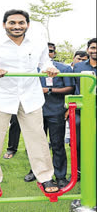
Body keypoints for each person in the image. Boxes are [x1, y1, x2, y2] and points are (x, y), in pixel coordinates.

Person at [0, 9, 60, 194]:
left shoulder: (38, 41)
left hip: (30, 96)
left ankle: (45, 176)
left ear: (27, 24)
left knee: (38, 138)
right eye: (12, 23)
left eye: (21, 23)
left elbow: (44, 63)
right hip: (1, 96)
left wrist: (49, 68)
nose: (17, 26)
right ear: (4, 24)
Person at [24, 43, 75, 188]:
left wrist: (50, 90)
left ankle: (60, 176)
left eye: (50, 51)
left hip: (55, 111)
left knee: (58, 144)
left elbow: (70, 88)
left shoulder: (63, 68)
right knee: (35, 145)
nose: (48, 54)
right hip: (34, 111)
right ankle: (36, 172)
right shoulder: (32, 69)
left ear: (54, 53)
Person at [73, 38, 97, 181]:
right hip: (81, 111)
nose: (95, 51)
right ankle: (79, 171)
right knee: (78, 143)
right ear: (88, 49)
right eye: (93, 47)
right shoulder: (78, 66)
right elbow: (75, 87)